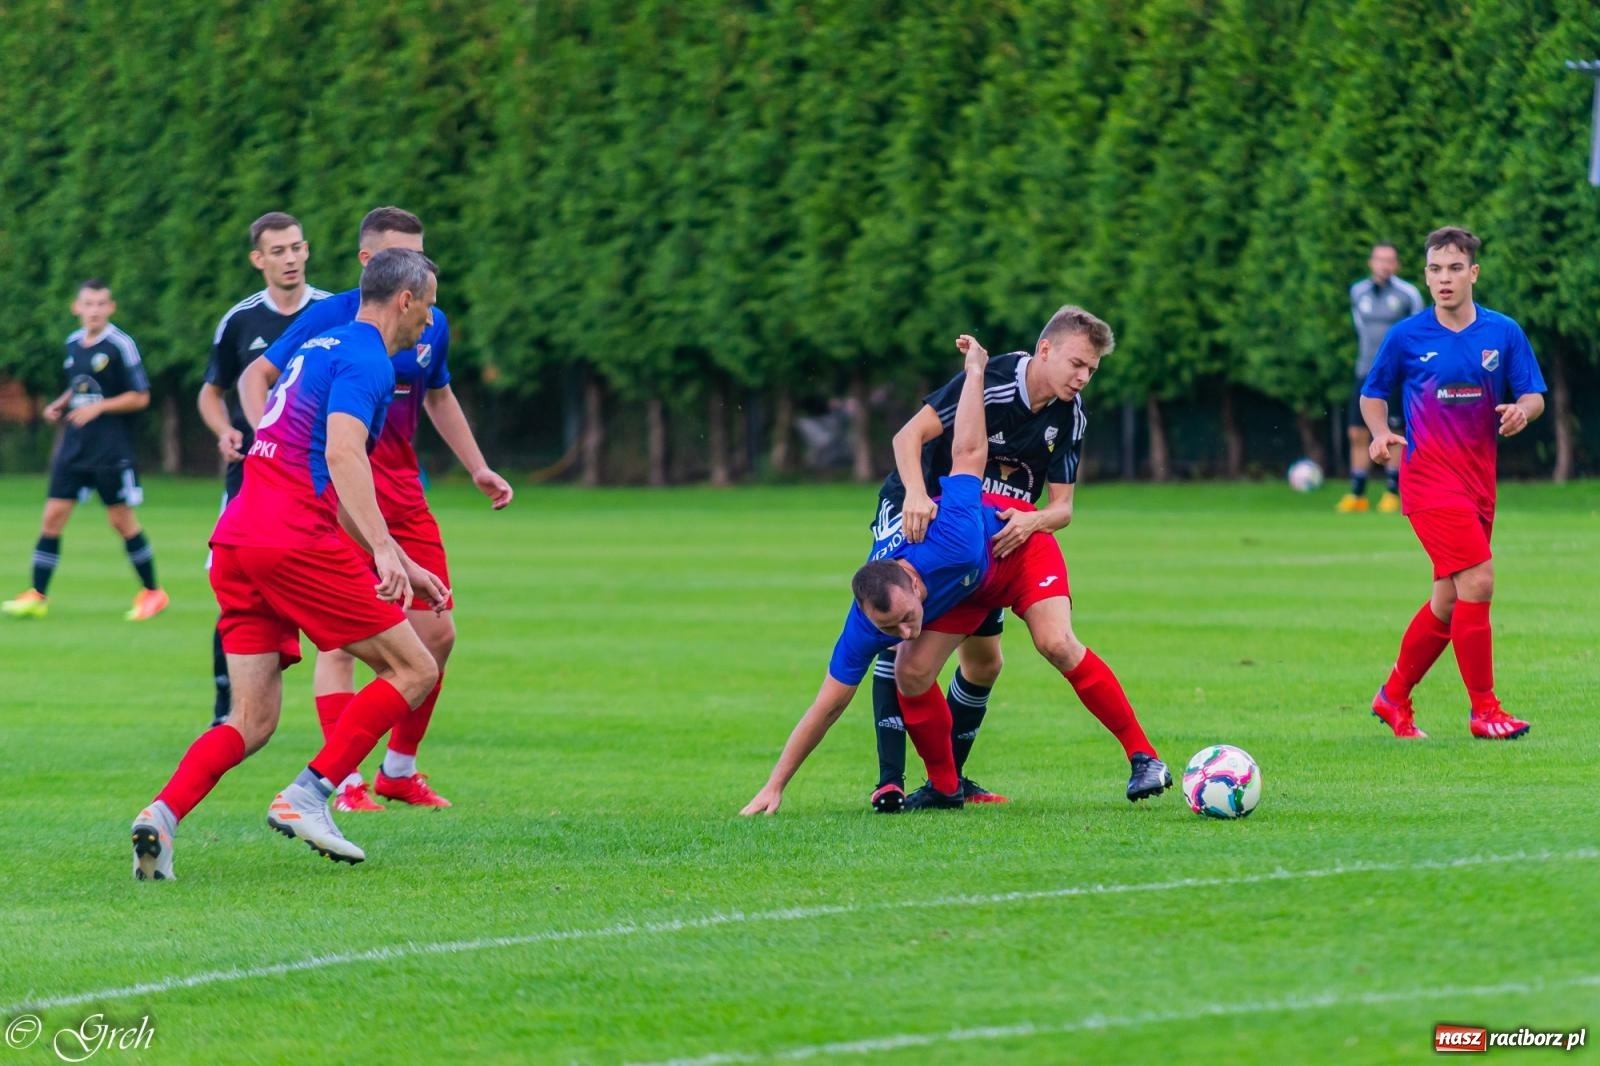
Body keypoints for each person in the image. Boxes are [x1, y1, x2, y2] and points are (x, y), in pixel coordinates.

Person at [741, 336, 1170, 816]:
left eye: (906, 618)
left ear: (915, 581)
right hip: (970, 581)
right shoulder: (869, 614)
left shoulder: (953, 534)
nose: (906, 630)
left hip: (1020, 552)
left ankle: (1144, 757)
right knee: (911, 667)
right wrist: (775, 785)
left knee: (1054, 642)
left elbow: (969, 452)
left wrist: (974, 372)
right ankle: (944, 788)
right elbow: (828, 705)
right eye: (893, 627)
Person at [130, 248, 448, 880]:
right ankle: (310, 794)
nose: (431, 319)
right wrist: (386, 549)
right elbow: (342, 455)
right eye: (430, 303)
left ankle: (161, 817)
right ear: (406, 300)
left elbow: (318, 459)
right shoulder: (367, 359)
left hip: (238, 540)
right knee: (415, 667)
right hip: (294, 541)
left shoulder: (318, 346)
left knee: (250, 718)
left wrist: (401, 559)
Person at [241, 206, 512, 812]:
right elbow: (257, 377)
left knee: (437, 632)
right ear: (372, 262)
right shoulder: (331, 319)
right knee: (341, 643)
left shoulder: (429, 319)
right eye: (406, 256)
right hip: (340, 491)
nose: (419, 271)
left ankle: (398, 769)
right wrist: (274, 445)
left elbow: (438, 395)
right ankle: (341, 781)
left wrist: (477, 466)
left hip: (404, 495)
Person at [868, 305, 1134, 812]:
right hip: (920, 507)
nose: (1083, 378)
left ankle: (948, 780)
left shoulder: (1069, 415)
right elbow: (907, 437)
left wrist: (1032, 521)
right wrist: (916, 494)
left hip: (985, 540)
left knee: (985, 663)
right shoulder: (989, 379)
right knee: (898, 622)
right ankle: (890, 781)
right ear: (1046, 349)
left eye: (1092, 371)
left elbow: (1062, 508)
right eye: (1077, 364)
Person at [1362, 226, 1545, 741]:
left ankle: (1393, 697)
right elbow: (1372, 394)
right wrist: (1379, 434)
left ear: (1473, 273)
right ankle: (1485, 710)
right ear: (1425, 276)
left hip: (1478, 485)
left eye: (1455, 268)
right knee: (1480, 580)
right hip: (1427, 481)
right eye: (1435, 269)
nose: (1444, 278)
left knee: (1448, 598)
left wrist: (1522, 413)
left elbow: (1533, 394)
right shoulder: (1406, 337)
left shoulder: (1503, 333)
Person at [197, 211, 331, 726]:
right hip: (251, 477)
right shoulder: (240, 320)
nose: (291, 258)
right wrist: (224, 431)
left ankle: (339, 727)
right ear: (259, 260)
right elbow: (211, 393)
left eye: (297, 247)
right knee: (234, 594)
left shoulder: (331, 313)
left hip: (316, 476)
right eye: (278, 251)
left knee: (333, 588)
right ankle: (224, 710)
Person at [2, 280, 168, 622]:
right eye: (88, 304)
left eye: (101, 304)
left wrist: (100, 408)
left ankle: (153, 592)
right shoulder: (73, 344)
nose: (94, 310)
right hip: (75, 446)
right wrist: (60, 405)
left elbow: (141, 396)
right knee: (52, 518)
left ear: (111, 308)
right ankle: (37, 594)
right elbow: (78, 385)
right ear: (76, 308)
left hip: (110, 450)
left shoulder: (121, 345)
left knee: (120, 520)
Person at [1338, 243, 1423, 514]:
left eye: (1389, 261)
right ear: (1371, 263)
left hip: (1397, 375)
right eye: (1379, 260)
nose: (1384, 265)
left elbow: (1417, 331)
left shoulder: (1408, 294)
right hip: (1365, 371)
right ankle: (1358, 493)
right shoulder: (1357, 292)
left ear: (1396, 265)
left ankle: (1392, 491)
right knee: (1357, 432)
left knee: (1394, 432)